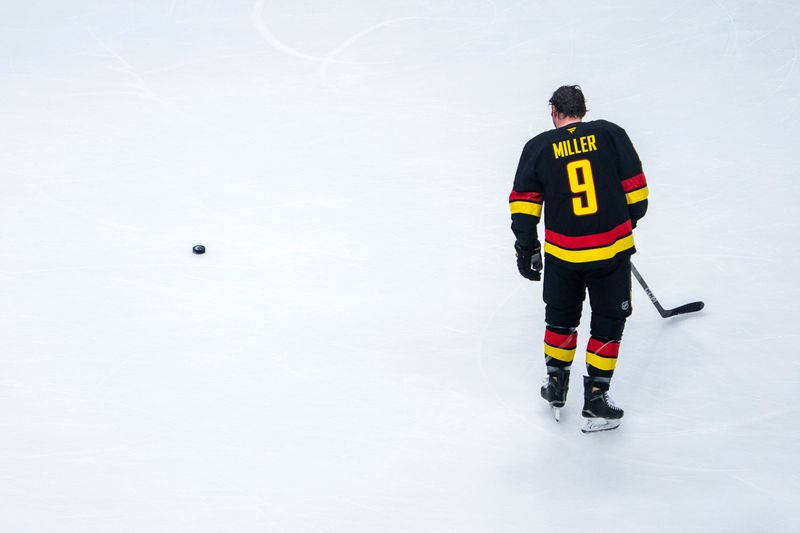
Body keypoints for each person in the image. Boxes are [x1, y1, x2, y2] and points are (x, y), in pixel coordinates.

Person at [508, 85, 648, 433]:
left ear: (554, 110)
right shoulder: (610, 134)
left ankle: (556, 385)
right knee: (607, 321)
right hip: (610, 254)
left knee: (560, 318)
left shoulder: (538, 147)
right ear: (583, 110)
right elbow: (638, 193)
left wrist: (527, 248)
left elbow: (524, 205)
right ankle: (597, 396)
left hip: (563, 257)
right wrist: (626, 221)